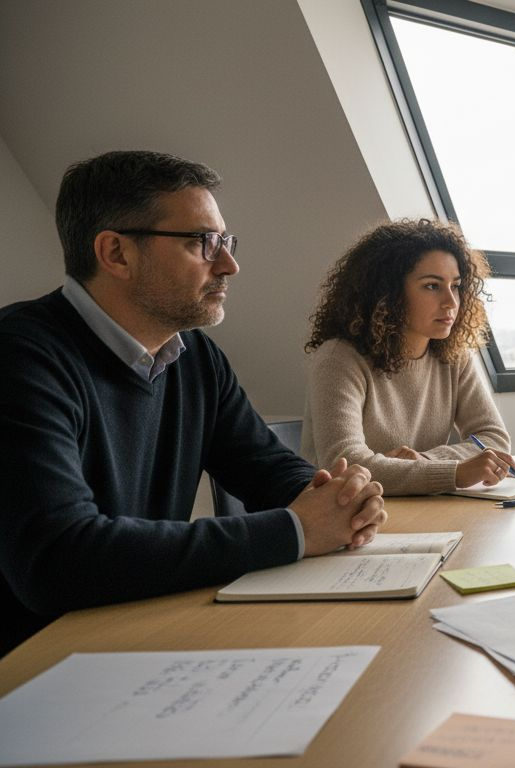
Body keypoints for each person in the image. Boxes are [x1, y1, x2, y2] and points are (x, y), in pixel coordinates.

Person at [0, 150, 386, 655]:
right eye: (201, 242)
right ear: (115, 253)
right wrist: (294, 529)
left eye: (224, 241)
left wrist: (340, 499)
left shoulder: (194, 354)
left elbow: (264, 467)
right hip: (36, 664)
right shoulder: (20, 357)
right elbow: (57, 562)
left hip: (138, 627)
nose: (229, 264)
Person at [303, 219, 515, 495]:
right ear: (387, 293)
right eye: (432, 286)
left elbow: (494, 438)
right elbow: (346, 464)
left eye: (456, 286)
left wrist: (429, 460)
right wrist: (455, 472)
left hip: (421, 509)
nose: (451, 302)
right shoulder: (339, 359)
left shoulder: (455, 356)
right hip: (344, 516)